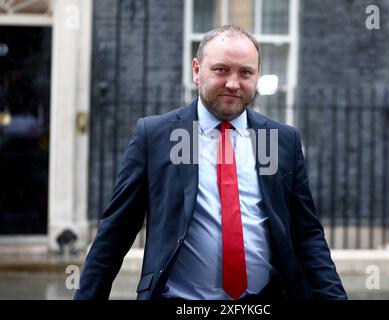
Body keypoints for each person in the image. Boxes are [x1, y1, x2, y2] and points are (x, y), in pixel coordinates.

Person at [74, 24, 347, 301]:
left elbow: (307, 235)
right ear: (196, 70)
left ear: (257, 76)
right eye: (221, 70)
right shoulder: (155, 136)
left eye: (245, 72)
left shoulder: (281, 140)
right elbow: (115, 232)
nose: (233, 83)